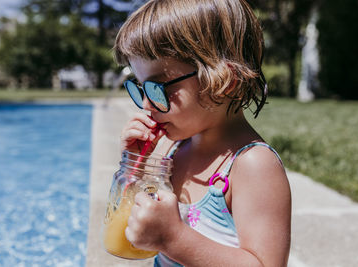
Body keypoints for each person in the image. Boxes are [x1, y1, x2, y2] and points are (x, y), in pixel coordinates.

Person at [115, 0, 291, 266]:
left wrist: (174, 239)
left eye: (158, 88)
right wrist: (133, 168)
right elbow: (130, 231)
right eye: (141, 88)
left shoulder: (252, 166)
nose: (147, 105)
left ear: (224, 82)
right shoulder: (175, 150)